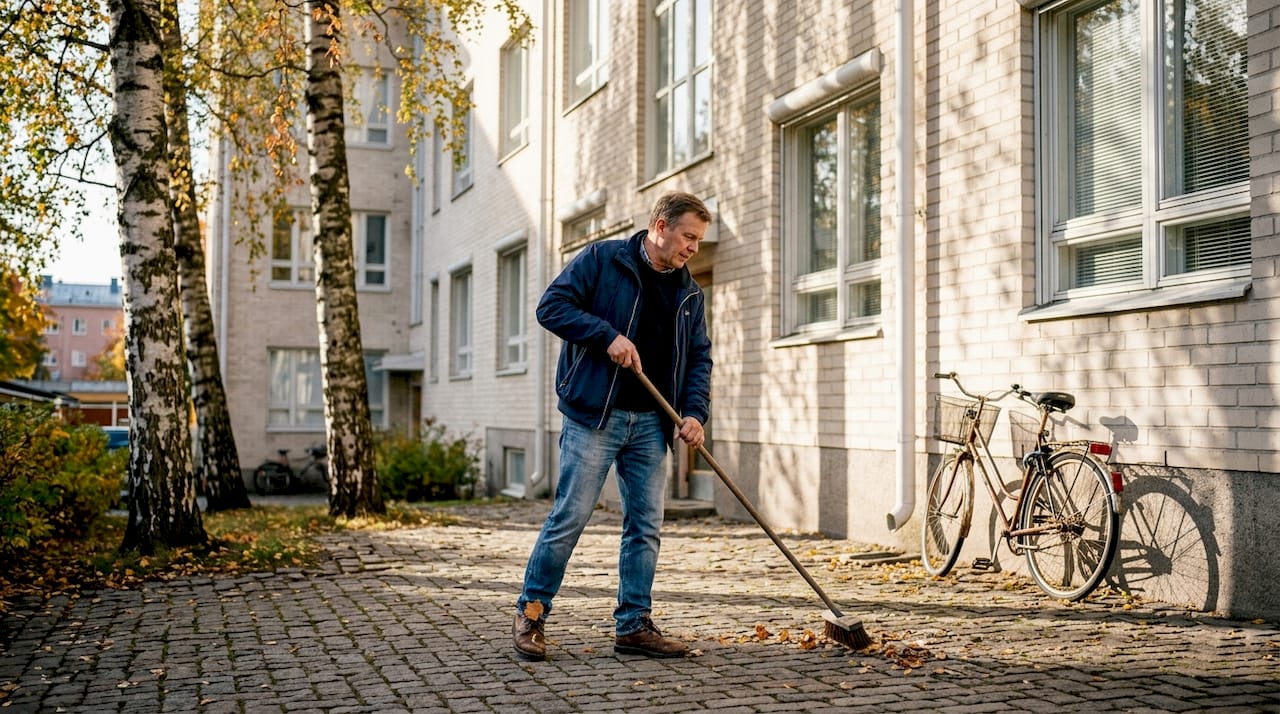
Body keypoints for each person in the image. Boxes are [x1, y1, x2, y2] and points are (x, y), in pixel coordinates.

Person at [513, 192, 714, 661]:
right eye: (688, 236)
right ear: (660, 226)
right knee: (571, 516)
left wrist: (694, 413)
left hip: (652, 423)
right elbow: (552, 307)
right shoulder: (604, 260)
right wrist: (607, 336)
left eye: (699, 241)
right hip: (594, 416)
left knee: (645, 525)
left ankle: (634, 625)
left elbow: (699, 358)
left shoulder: (689, 293)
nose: (693, 249)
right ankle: (532, 612)